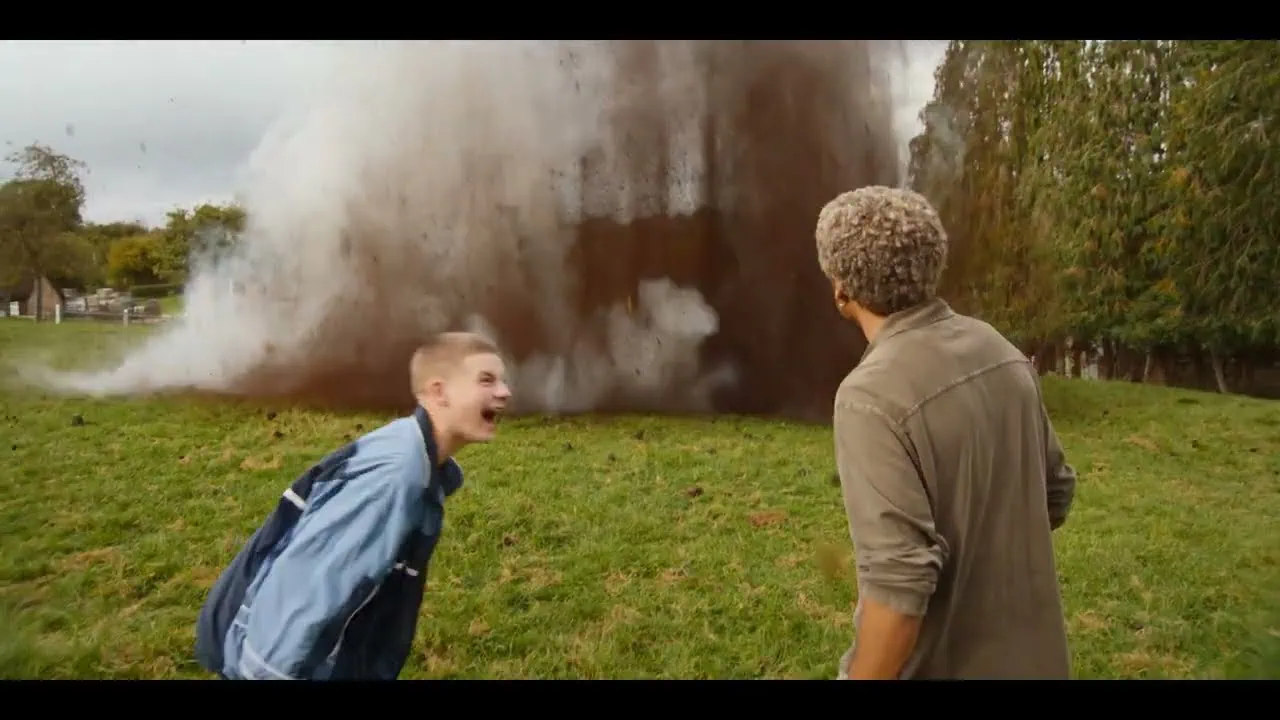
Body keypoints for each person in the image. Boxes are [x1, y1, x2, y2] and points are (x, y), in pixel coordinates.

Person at [813, 186, 1078, 680]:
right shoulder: (998, 349)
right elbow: (1056, 492)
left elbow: (898, 590)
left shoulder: (869, 396)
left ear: (841, 290)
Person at [194, 331, 511, 680]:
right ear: (439, 392)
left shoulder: (414, 456)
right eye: (486, 380)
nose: (504, 392)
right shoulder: (394, 477)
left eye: (502, 380)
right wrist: (265, 672)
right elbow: (308, 590)